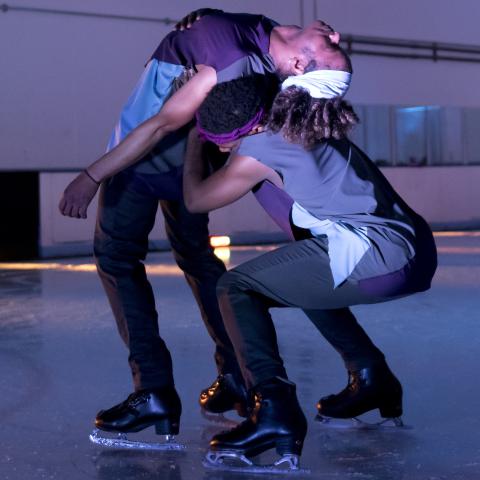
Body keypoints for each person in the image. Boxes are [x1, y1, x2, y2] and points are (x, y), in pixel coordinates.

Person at [58, 8, 350, 445]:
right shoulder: (263, 33)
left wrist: (92, 175)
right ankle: (235, 375)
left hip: (144, 157)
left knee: (117, 257)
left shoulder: (233, 61)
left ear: (300, 65)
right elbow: (223, 26)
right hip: (190, 161)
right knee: (196, 255)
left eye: (334, 51)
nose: (338, 36)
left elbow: (160, 125)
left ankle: (153, 391)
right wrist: (201, 18)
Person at [183, 73, 437, 469]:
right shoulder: (301, 121)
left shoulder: (258, 150)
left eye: (221, 140)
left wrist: (193, 142)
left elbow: (197, 200)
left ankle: (274, 410)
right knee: (301, 279)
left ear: (233, 135)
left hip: (382, 254)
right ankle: (372, 379)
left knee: (235, 286)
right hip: (412, 244)